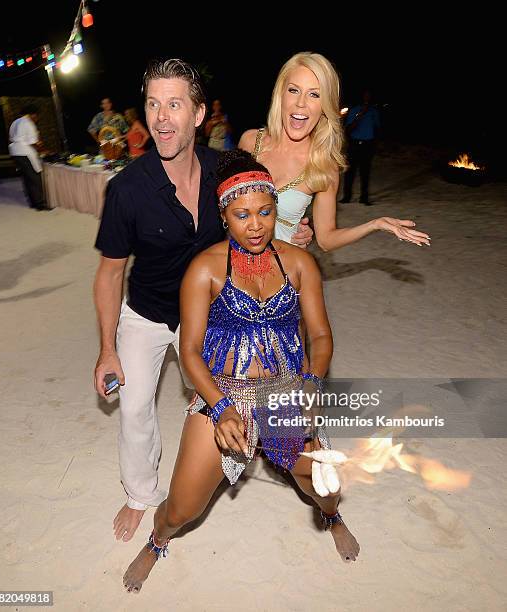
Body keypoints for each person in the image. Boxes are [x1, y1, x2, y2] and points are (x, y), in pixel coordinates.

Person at [93, 59, 314, 544]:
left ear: (198, 115)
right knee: (133, 409)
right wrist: (107, 348)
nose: (162, 117)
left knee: (234, 402)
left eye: (174, 104)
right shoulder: (126, 190)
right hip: (147, 314)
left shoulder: (225, 170)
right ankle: (139, 494)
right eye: (154, 104)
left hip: (213, 317)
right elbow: (110, 273)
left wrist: (292, 231)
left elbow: (259, 212)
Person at [122, 149, 360, 594]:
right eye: (242, 214)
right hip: (223, 394)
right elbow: (190, 352)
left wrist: (310, 386)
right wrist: (223, 406)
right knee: (181, 509)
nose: (255, 225)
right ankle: (157, 541)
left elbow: (322, 337)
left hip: (286, 390)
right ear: (225, 216)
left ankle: (332, 517)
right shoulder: (205, 269)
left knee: (325, 488)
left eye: (265, 212)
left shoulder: (299, 263)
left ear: (275, 209)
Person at [239, 52, 430, 249]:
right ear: (280, 94)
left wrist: (374, 224)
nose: (301, 103)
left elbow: (326, 239)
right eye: (294, 90)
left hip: (284, 269)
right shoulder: (250, 142)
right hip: (234, 267)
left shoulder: (323, 165)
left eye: (314, 94)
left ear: (325, 106)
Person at [340, 89, 380, 205]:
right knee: (350, 172)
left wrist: (375, 144)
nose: (367, 98)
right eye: (365, 96)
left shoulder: (374, 111)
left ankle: (364, 198)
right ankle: (347, 197)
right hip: (355, 144)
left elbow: (377, 128)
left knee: (365, 172)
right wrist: (360, 115)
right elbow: (348, 129)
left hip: (368, 145)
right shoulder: (354, 110)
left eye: (369, 96)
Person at [8, 104, 51, 211]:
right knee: (35, 178)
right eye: (37, 116)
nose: (37, 118)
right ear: (33, 114)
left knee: (26, 178)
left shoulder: (15, 122)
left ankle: (33, 202)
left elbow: (12, 137)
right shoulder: (29, 123)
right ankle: (40, 204)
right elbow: (33, 142)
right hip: (25, 152)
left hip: (15, 152)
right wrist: (44, 151)